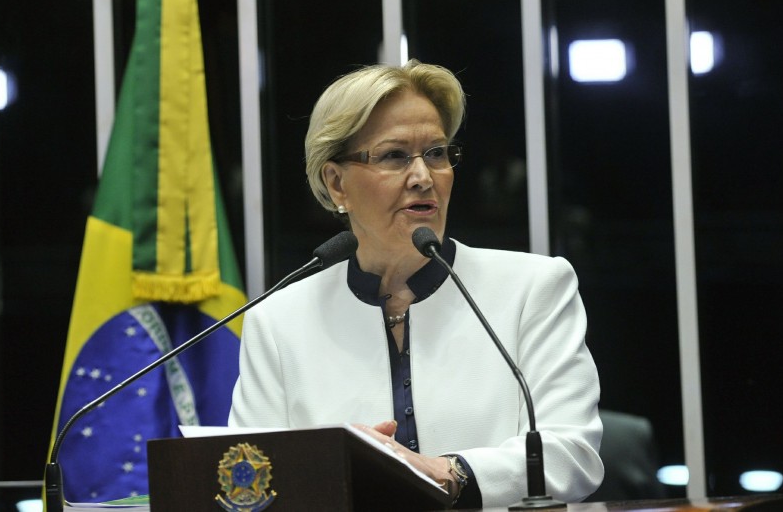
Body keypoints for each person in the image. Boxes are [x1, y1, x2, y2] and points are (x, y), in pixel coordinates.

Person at [228, 59, 604, 508]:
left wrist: (450, 472)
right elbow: (250, 480)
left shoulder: (533, 288)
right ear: (336, 183)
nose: (424, 177)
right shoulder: (279, 321)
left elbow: (571, 455)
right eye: (394, 156)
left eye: (437, 153)